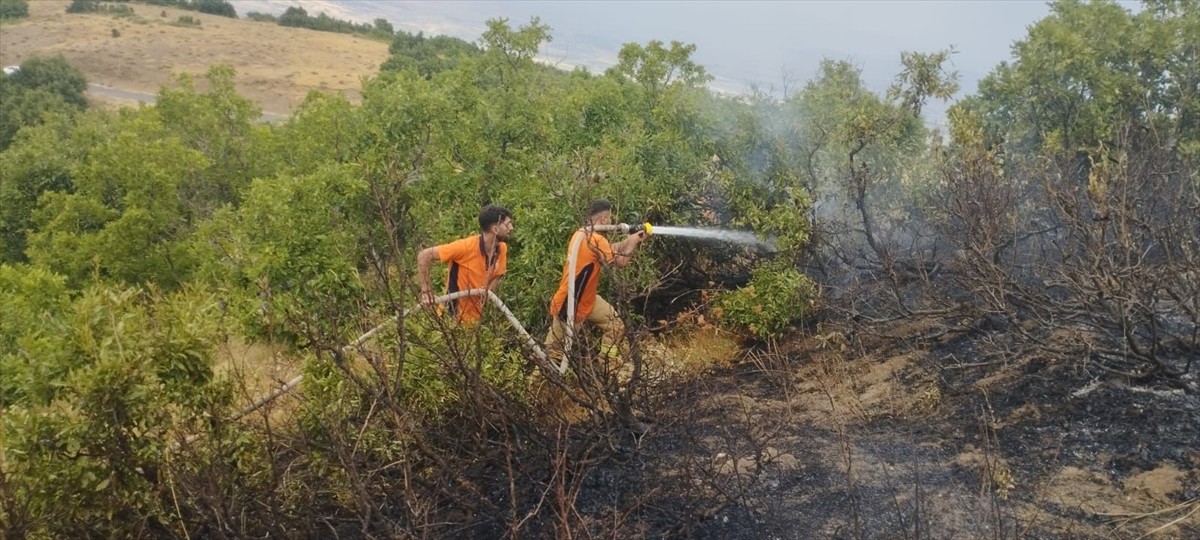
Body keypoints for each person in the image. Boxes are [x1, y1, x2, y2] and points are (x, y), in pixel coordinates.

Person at [545, 199, 648, 371]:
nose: (612, 221)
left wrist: (630, 238)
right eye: (610, 218)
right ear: (603, 220)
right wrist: (633, 241)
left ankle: (607, 365)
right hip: (570, 304)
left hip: (589, 300)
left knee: (615, 326)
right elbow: (621, 261)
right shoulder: (594, 239)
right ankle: (538, 390)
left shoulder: (580, 234)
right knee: (553, 356)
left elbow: (609, 250)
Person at [417, 205, 514, 324]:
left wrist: (488, 292)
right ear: (495, 229)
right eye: (507, 224)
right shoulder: (465, 247)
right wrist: (426, 292)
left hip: (477, 321)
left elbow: (498, 274)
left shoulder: (501, 249)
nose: (511, 228)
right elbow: (424, 256)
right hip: (451, 320)